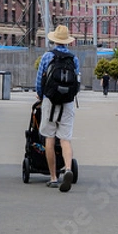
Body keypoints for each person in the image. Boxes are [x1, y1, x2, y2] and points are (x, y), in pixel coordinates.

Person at [35, 25, 80, 192]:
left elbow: (39, 80)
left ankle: (53, 177)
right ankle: (68, 169)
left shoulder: (47, 56)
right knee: (65, 139)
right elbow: (77, 81)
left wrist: (41, 96)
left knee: (49, 138)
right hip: (67, 102)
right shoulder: (73, 59)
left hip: (50, 101)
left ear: (54, 40)